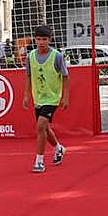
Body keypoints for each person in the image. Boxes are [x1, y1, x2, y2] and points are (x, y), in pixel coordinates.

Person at [21, 24, 69, 173]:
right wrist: (26, 95)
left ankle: (39, 161)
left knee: (40, 126)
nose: (41, 42)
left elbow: (65, 76)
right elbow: (28, 76)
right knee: (45, 129)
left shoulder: (57, 56)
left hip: (52, 97)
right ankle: (58, 148)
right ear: (35, 40)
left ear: (50, 40)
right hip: (38, 97)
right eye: (39, 39)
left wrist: (65, 97)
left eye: (44, 39)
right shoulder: (31, 57)